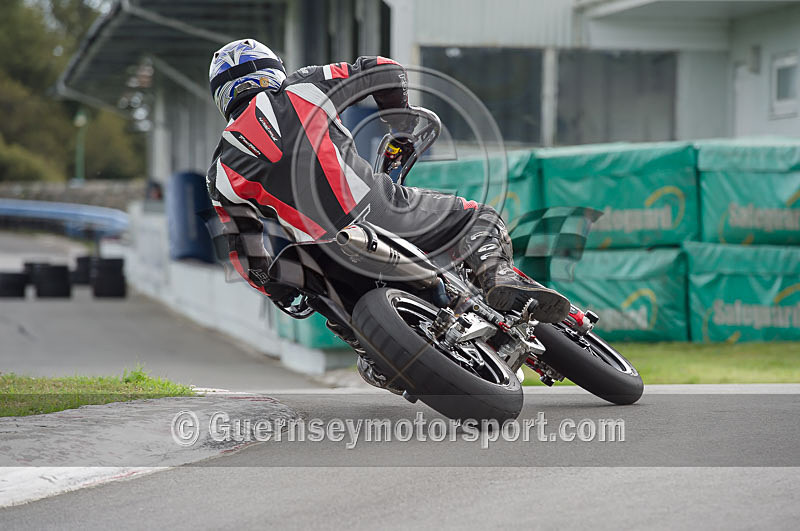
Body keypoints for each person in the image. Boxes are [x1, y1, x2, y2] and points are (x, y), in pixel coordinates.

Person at [206, 39, 569, 387]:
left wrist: (276, 290)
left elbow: (243, 251)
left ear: (222, 96)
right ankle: (497, 275)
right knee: (478, 216)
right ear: (272, 71)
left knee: (327, 303)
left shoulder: (220, 170)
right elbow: (385, 70)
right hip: (378, 210)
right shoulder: (303, 87)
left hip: (317, 253)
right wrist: (400, 125)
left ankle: (373, 354)